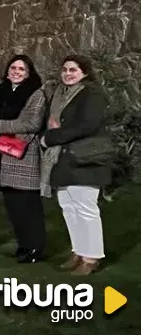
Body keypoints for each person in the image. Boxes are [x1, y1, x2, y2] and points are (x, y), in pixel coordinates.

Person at [41, 55, 112, 276]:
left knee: (85, 208)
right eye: (65, 69)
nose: (68, 73)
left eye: (73, 70)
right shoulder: (61, 94)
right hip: (64, 159)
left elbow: (87, 125)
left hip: (85, 158)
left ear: (85, 73)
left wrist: (52, 136)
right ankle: (79, 251)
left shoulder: (92, 93)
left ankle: (92, 257)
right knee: (69, 207)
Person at [0, 55, 48, 264]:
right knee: (13, 207)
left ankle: (36, 247)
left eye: (21, 69)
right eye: (13, 67)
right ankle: (23, 244)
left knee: (28, 207)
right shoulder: (2, 92)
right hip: (5, 156)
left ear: (28, 73)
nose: (16, 71)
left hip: (25, 157)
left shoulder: (36, 93)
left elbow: (31, 123)